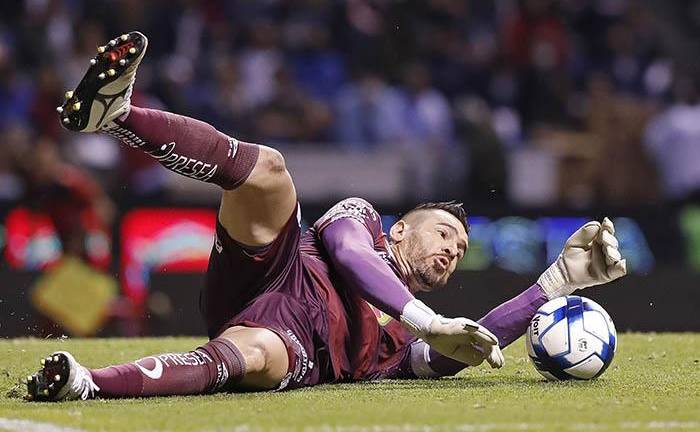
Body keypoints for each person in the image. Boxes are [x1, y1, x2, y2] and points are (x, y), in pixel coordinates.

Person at [24, 32, 626, 401]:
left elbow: (470, 343)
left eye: (460, 251)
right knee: (270, 171)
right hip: (274, 272)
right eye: (444, 233)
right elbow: (346, 253)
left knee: (255, 357)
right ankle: (118, 115)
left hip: (295, 345)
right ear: (400, 228)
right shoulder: (361, 220)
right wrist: (426, 319)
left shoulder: (404, 349)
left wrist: (558, 282)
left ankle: (87, 381)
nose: (451, 249)